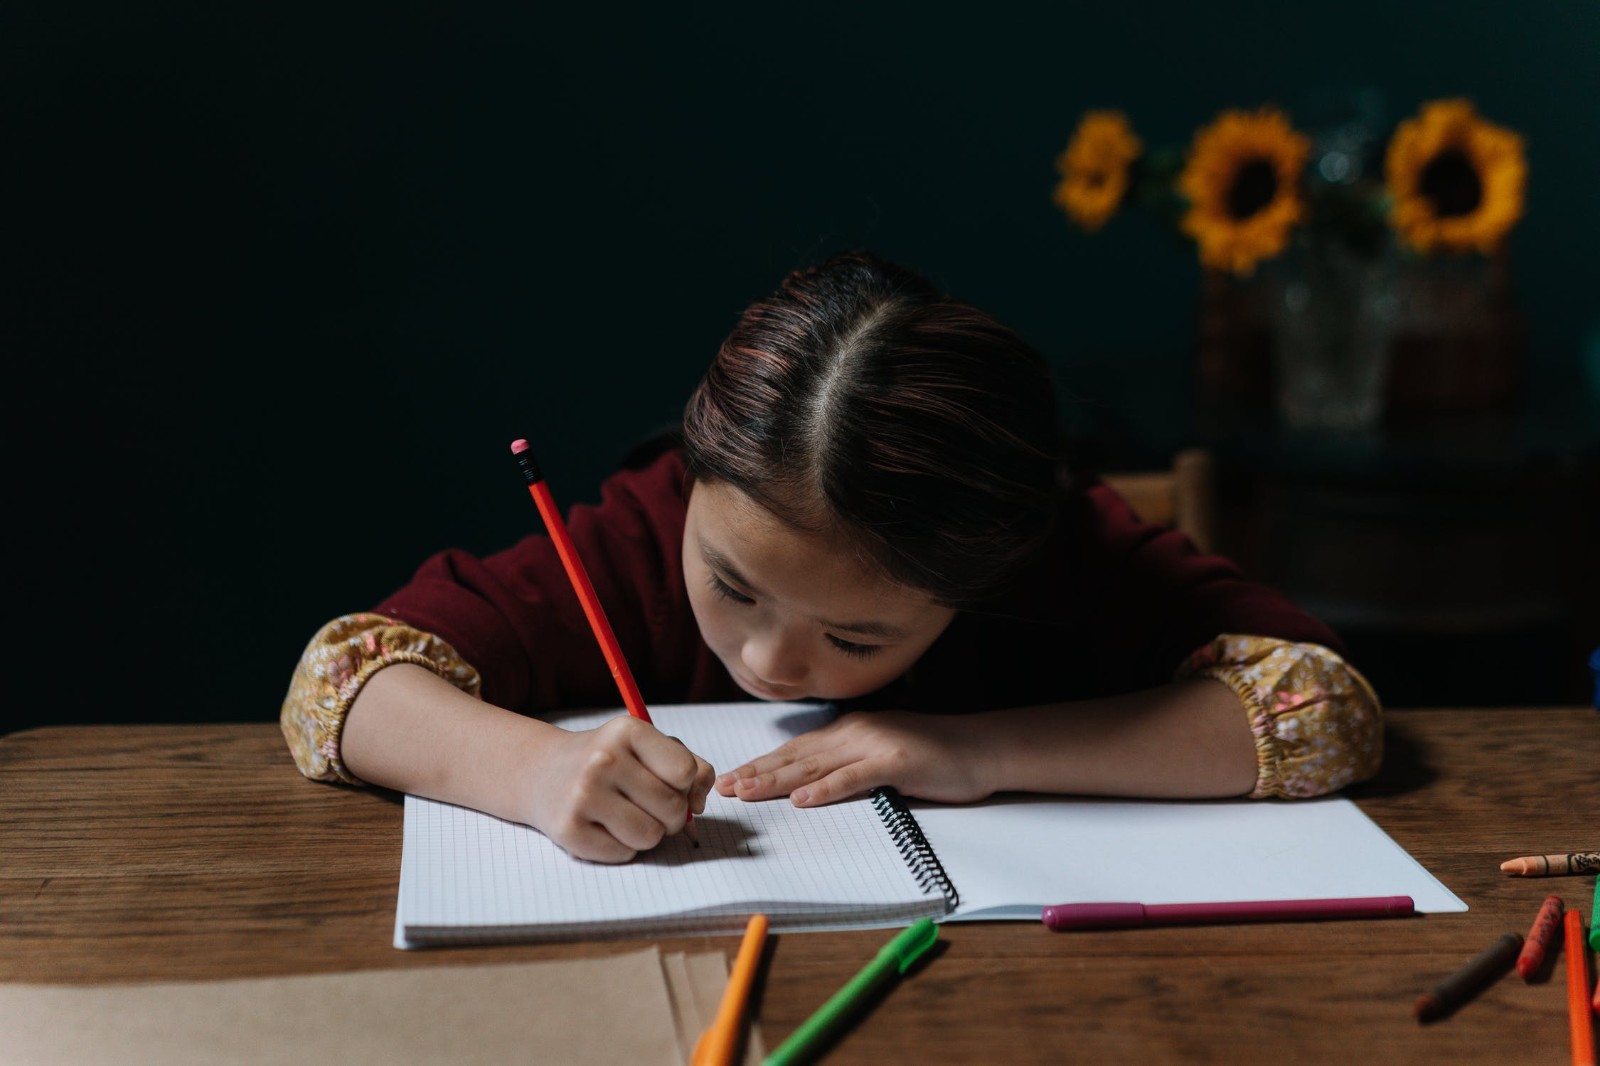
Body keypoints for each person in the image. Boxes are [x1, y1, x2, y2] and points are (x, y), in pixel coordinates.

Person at [281, 249, 1382, 864]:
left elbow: (1325, 710)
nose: (767, 657)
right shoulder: (639, 529)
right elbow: (341, 679)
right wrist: (530, 772)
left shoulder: (1061, 553)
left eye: (856, 634)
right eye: (730, 582)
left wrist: (978, 749)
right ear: (695, 475)